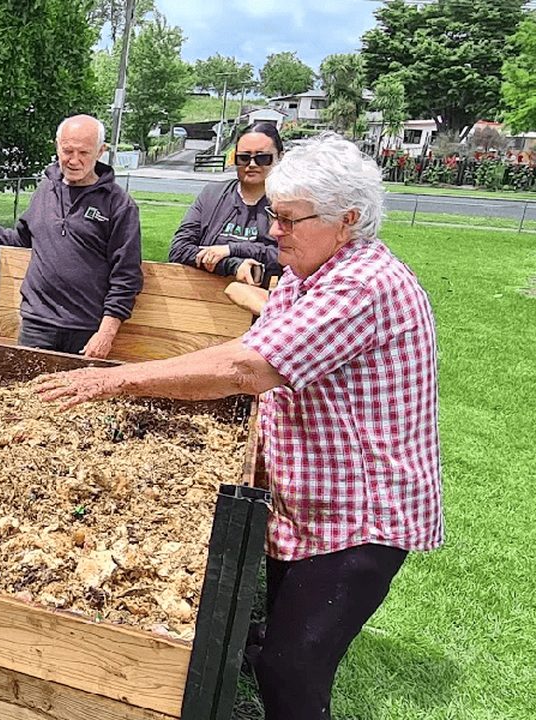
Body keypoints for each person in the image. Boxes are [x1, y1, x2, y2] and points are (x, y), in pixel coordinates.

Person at [36, 134, 442, 720]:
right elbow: (253, 338)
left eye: (287, 219)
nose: (273, 231)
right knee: (276, 641)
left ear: (346, 220)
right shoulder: (312, 273)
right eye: (274, 216)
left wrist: (112, 380)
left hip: (361, 514)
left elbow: (242, 368)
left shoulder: (360, 286)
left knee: (291, 669)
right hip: (313, 503)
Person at [0, 115, 142, 358]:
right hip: (36, 324)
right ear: (57, 145)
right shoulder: (45, 190)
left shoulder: (119, 205)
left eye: (84, 153)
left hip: (86, 329)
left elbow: (127, 275)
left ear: (101, 151)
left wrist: (106, 334)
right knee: (27, 394)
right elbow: (22, 240)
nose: (74, 160)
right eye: (68, 150)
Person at [169, 121, 283, 299]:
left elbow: (286, 256)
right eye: (244, 157)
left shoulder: (289, 204)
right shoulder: (211, 195)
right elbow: (179, 249)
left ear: (279, 158)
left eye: (262, 158)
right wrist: (232, 264)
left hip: (264, 308)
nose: (251, 164)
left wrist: (232, 249)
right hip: (203, 304)